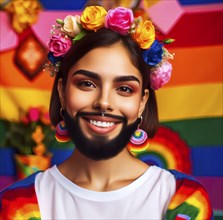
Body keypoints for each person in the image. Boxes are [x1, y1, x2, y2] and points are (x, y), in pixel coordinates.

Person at [0, 6, 213, 220]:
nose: (104, 102)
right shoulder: (20, 204)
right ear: (63, 93)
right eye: (87, 84)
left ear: (141, 103)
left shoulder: (184, 199)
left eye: (124, 89)